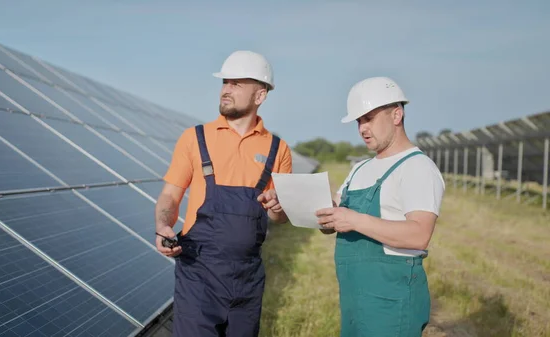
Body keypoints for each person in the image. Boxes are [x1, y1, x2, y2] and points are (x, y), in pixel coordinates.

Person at [154, 50, 293, 337]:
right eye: (225, 82)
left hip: (248, 279)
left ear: (260, 95)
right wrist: (163, 224)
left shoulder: (278, 149)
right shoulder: (195, 138)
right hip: (198, 275)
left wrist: (278, 207)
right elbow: (170, 195)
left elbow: (280, 217)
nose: (226, 90)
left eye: (236, 84)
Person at [315, 76, 445, 337]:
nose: (363, 128)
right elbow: (336, 218)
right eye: (359, 121)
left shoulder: (417, 167)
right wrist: (318, 210)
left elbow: (419, 235)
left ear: (397, 114)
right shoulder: (360, 169)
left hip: (391, 303)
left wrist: (354, 220)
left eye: (369, 118)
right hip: (355, 299)